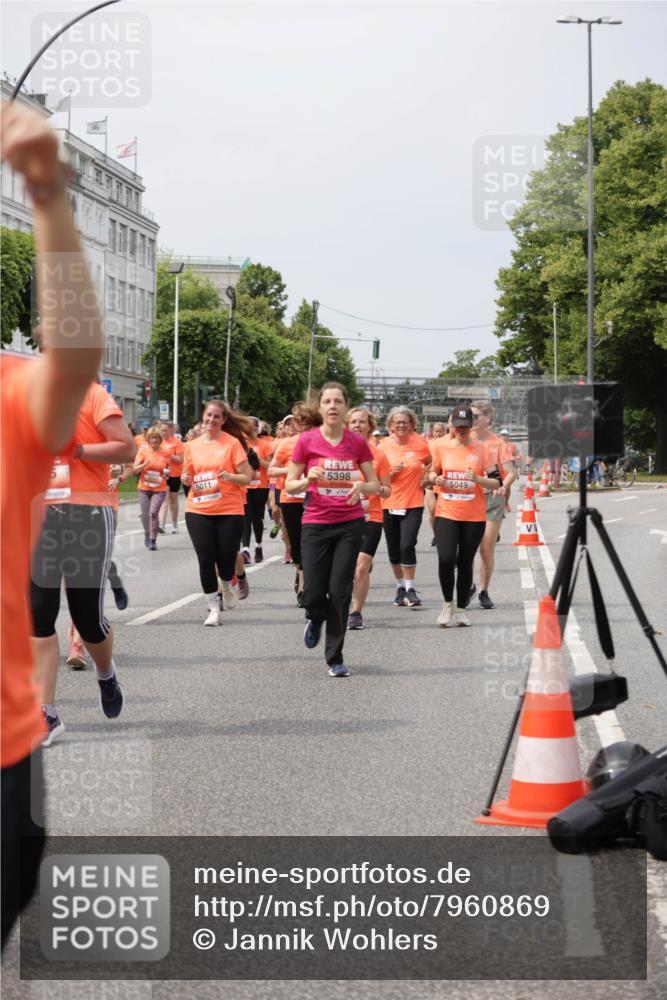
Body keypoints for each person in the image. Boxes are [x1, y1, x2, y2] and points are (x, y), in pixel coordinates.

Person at [1, 98, 104, 946]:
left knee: (82, 614)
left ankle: (93, 678)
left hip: (81, 513)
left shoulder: (15, 393)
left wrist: (47, 194)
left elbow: (74, 354)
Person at [30, 373, 136, 745]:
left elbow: (126, 448)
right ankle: (47, 713)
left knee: (87, 619)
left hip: (86, 515)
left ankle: (106, 673)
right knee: (39, 615)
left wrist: (79, 450)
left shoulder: (92, 397)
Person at [286, 383, 379, 676]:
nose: (333, 406)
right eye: (327, 401)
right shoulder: (307, 441)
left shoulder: (356, 443)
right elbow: (289, 483)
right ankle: (314, 617)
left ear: (346, 407)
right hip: (315, 523)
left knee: (339, 592)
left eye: (338, 401)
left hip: (349, 524)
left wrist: (363, 486)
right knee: (314, 592)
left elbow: (376, 485)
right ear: (320, 407)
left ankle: (335, 657)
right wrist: (306, 479)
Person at [181, 400, 252, 625]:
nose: (211, 420)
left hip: (229, 509)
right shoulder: (191, 446)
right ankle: (213, 607)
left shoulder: (231, 444)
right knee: (205, 558)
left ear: (223, 420)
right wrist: (184, 478)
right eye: (208, 415)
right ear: (203, 415)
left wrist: (230, 477)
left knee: (225, 559)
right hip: (198, 509)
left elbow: (247, 477)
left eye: (216, 417)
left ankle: (227, 584)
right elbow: (188, 475)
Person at [430, 406, 500, 627]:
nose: (461, 430)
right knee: (446, 559)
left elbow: (496, 481)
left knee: (464, 562)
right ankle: (447, 604)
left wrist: (479, 480)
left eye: (465, 427)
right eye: (457, 426)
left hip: (473, 515)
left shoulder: (483, 449)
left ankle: (461, 609)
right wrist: (435, 478)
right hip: (447, 511)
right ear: (451, 424)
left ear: (471, 426)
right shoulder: (441, 446)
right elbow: (432, 472)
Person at [378, 406, 432, 607]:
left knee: (407, 545)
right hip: (388, 503)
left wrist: (426, 479)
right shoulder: (382, 447)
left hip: (413, 503)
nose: (401, 425)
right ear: (390, 425)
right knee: (393, 549)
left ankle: (410, 588)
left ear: (412, 425)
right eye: (397, 422)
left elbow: (432, 463)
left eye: (405, 422)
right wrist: (390, 473)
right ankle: (400, 587)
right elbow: (373, 476)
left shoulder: (421, 445)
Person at [346, 408, 392, 630]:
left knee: (361, 567)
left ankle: (355, 612)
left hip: (370, 517)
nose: (357, 425)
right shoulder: (337, 452)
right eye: (353, 421)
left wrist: (373, 489)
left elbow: (387, 491)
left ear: (369, 426)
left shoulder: (379, 455)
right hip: (342, 517)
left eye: (362, 422)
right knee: (345, 568)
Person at [469, 401, 517, 609]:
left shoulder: (499, 444)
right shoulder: (463, 439)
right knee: (466, 549)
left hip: (491, 497)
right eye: (470, 415)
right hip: (468, 498)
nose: (472, 419)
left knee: (486, 550)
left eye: (476, 415)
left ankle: (483, 590)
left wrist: (502, 486)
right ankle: (467, 584)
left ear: (487, 419)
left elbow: (512, 472)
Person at [270, 412, 306, 593]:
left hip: (316, 498)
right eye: (292, 423)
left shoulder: (321, 442)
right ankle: (301, 573)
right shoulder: (286, 444)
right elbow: (271, 470)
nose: (296, 426)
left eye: (300, 422)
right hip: (291, 497)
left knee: (313, 539)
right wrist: (289, 470)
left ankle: (306, 580)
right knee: (296, 540)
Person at [240, 416, 274, 564]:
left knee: (257, 518)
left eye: (253, 427)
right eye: (247, 427)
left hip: (260, 485)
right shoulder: (240, 445)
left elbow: (271, 466)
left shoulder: (265, 444)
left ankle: (258, 546)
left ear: (258, 429)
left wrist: (257, 460)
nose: (250, 430)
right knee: (246, 518)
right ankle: (245, 549)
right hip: (245, 486)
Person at [134, 426, 170, 549]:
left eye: (156, 438)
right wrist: (144, 464)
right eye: (152, 438)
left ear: (160, 439)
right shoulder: (143, 451)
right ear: (148, 439)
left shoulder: (166, 452)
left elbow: (167, 469)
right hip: (144, 488)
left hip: (159, 489)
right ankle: (147, 533)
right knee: (145, 515)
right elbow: (134, 469)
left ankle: (153, 540)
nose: (154, 440)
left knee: (153, 513)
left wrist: (166, 474)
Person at [158, 420, 184, 533]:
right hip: (162, 474)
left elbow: (180, 460)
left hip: (175, 474)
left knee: (173, 500)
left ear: (171, 430)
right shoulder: (158, 442)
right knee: (164, 499)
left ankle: (174, 523)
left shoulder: (177, 443)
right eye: (162, 430)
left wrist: (170, 455)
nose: (163, 432)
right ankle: (161, 525)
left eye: (165, 430)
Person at [425, 422, 447, 546]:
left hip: (443, 479)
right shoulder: (428, 444)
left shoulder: (448, 444)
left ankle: (445, 534)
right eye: (436, 431)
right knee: (432, 510)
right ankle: (436, 535)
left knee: (443, 511)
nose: (438, 433)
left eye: (441, 431)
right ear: (432, 432)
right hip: (430, 479)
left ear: (445, 432)